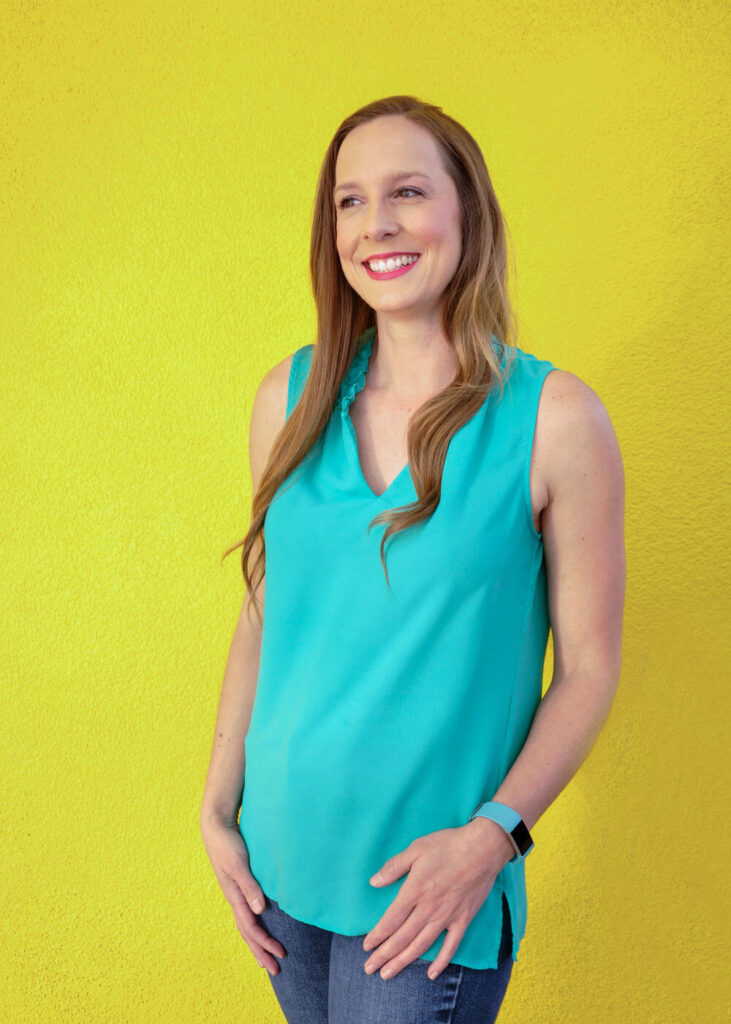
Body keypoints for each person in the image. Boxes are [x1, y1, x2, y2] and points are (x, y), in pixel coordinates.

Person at [199, 95, 626, 1024]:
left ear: (466, 212)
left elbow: (589, 669)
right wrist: (217, 808)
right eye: (348, 202)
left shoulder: (554, 421)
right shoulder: (291, 395)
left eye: (406, 192)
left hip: (426, 896)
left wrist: (492, 840)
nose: (375, 225)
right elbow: (267, 610)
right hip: (281, 870)